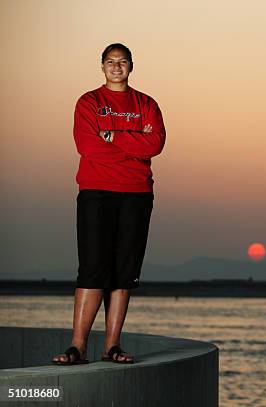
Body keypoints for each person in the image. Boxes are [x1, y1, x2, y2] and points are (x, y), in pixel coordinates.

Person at [52, 43, 166, 365]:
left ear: (132, 66)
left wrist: (112, 136)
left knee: (124, 272)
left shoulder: (147, 103)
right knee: (92, 268)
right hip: (96, 191)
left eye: (123, 61)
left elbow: (155, 143)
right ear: (102, 67)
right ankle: (78, 346)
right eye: (110, 61)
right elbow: (88, 146)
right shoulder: (88, 102)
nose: (117, 66)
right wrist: (133, 142)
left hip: (137, 192)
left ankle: (111, 346)